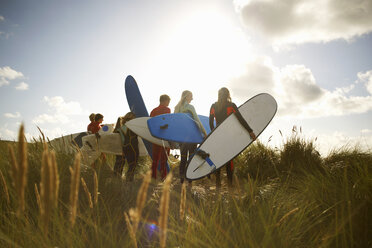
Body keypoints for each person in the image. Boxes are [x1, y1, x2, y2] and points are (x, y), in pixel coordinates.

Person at [209, 87, 256, 188]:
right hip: (228, 136)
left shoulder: (213, 106)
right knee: (229, 159)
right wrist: (250, 131)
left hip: (218, 136)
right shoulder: (231, 105)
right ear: (228, 95)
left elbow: (210, 122)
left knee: (218, 158)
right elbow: (240, 119)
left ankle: (218, 184)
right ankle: (230, 185)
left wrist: (214, 134)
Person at [174, 90, 207, 184]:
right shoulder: (190, 107)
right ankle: (190, 180)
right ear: (186, 97)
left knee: (183, 158)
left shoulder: (177, 108)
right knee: (191, 158)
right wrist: (204, 132)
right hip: (191, 137)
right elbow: (197, 121)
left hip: (181, 137)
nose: (192, 98)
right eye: (191, 96)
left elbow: (175, 124)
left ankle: (181, 179)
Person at [150, 94, 171, 181]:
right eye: (168, 101)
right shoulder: (167, 109)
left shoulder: (153, 111)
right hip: (165, 137)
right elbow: (168, 123)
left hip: (155, 138)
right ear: (164, 100)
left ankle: (153, 178)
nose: (169, 103)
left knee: (155, 160)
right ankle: (163, 178)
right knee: (163, 160)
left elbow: (150, 124)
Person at [113, 112, 139, 181]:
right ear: (132, 118)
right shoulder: (133, 127)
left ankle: (116, 180)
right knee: (132, 165)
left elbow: (119, 137)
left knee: (120, 164)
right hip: (133, 146)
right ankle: (129, 182)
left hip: (124, 147)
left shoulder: (121, 128)